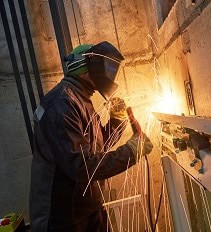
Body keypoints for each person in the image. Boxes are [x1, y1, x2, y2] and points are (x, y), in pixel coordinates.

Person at [29, 41, 153, 231]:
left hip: (88, 206)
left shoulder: (80, 98)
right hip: (64, 218)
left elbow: (97, 146)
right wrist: (131, 151)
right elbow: (81, 166)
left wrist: (116, 121)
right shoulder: (61, 104)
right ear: (89, 68)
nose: (110, 75)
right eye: (107, 68)